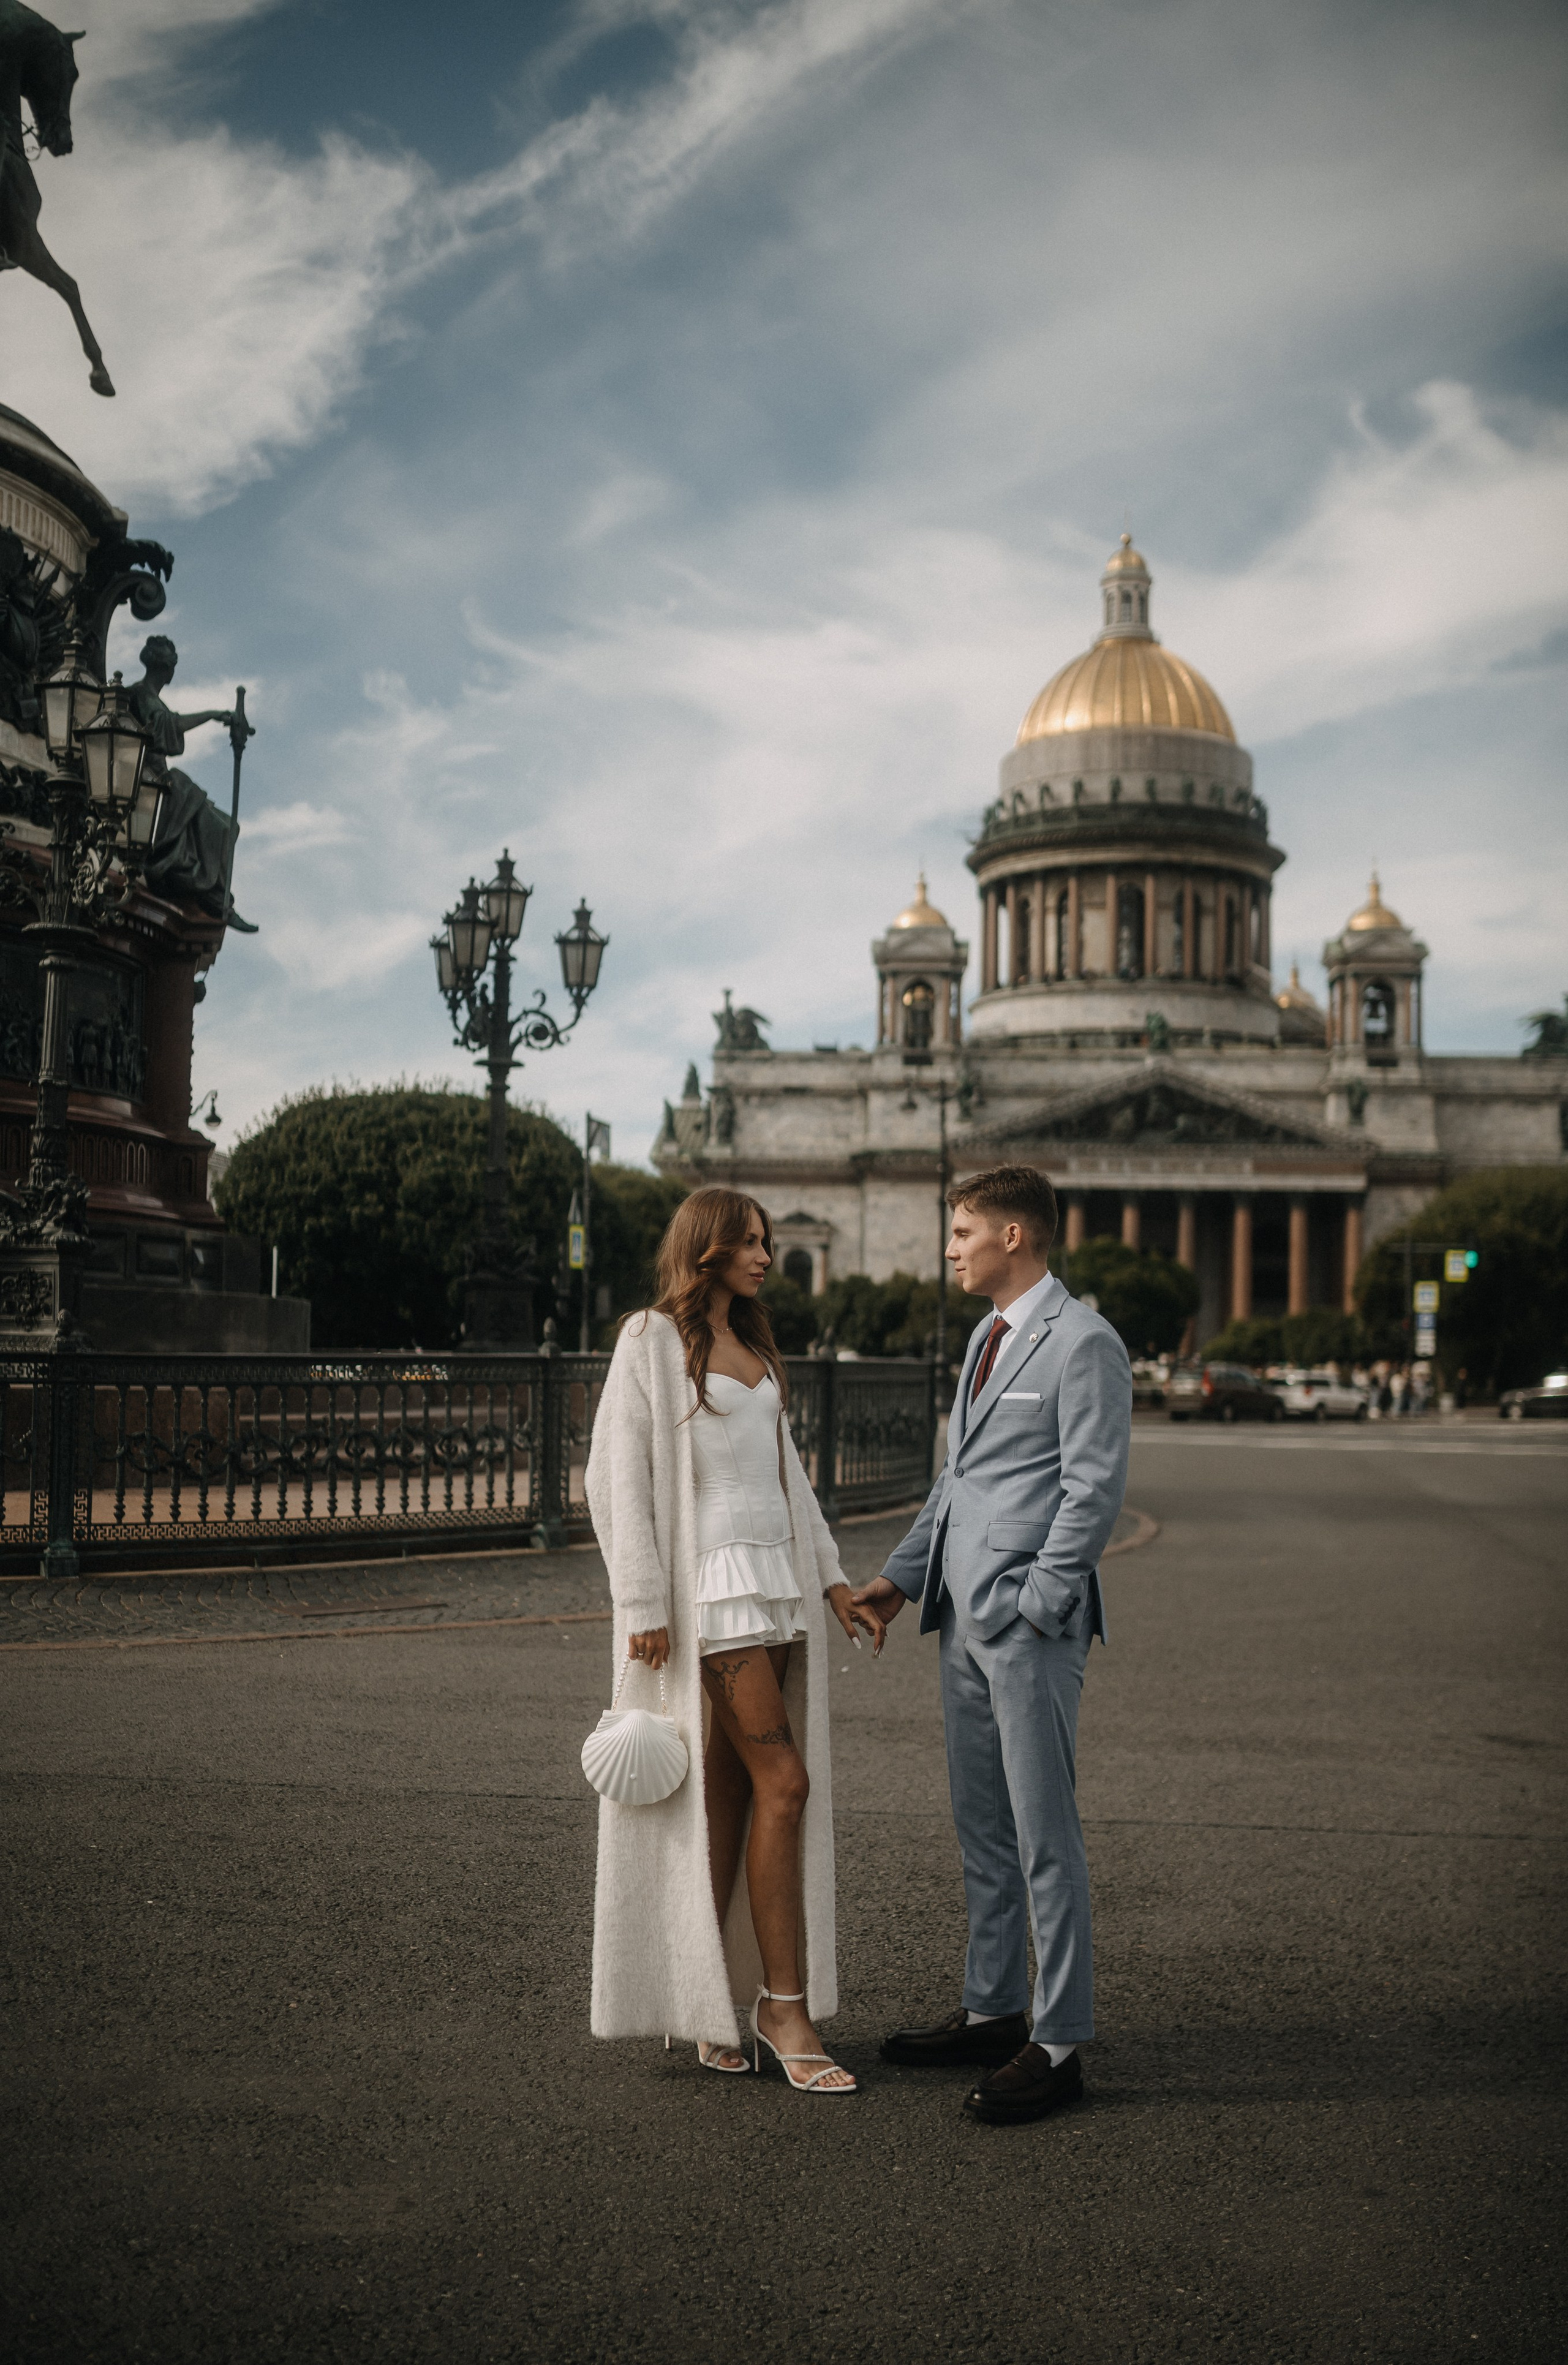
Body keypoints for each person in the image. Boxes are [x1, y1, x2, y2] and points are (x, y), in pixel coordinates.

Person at [584, 1186, 883, 2092]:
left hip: (776, 1582)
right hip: (708, 1591)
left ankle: (703, 1999)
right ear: (705, 1248)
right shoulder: (649, 1339)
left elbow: (789, 1478)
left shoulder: (754, 1346)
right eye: (749, 1241)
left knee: (730, 1790)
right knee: (785, 1781)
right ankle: (781, 2005)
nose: (764, 1254)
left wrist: (831, 1577)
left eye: (764, 1240)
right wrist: (642, 1601)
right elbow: (614, 1473)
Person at [853, 1165, 1131, 2127]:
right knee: (984, 1828)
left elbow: (1093, 1490)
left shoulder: (1084, 1341)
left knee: (1044, 1834)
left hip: (1024, 1624)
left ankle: (1057, 2041)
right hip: (958, 1618)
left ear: (1015, 1237)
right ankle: (992, 2004)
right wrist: (901, 1577)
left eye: (963, 1228)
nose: (950, 1245)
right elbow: (956, 1480)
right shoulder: (986, 1334)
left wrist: (1035, 1601)